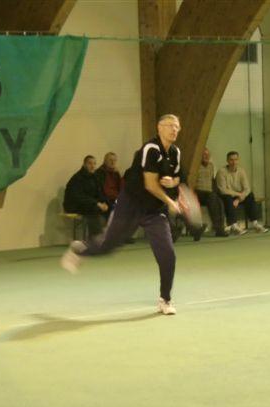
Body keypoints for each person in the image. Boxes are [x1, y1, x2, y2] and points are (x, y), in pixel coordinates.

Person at [61, 114, 184, 315]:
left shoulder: (176, 152)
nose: (174, 129)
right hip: (130, 205)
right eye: (170, 125)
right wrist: (170, 201)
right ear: (159, 127)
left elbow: (179, 177)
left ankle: (165, 300)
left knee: (168, 255)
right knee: (107, 246)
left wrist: (174, 183)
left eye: (177, 126)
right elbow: (150, 184)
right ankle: (78, 250)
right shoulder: (150, 149)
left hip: (154, 211)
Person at [216, 150, 268, 234]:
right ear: (227, 161)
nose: (234, 162)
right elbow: (223, 190)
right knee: (228, 198)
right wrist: (239, 195)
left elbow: (247, 188)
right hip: (226, 195)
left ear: (238, 160)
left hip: (238, 196)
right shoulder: (221, 172)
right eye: (231, 160)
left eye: (236, 159)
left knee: (250, 195)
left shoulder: (241, 171)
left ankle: (255, 224)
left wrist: (239, 198)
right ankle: (234, 226)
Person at [63, 155, 108, 236]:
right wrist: (97, 203)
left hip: (88, 203)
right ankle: (95, 238)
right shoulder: (77, 178)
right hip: (73, 205)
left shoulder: (95, 177)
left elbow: (99, 193)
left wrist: (104, 203)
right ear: (84, 164)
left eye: (94, 164)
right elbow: (79, 197)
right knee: (94, 208)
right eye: (89, 163)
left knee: (111, 206)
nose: (92, 166)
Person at [195, 147, 228, 237]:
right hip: (198, 192)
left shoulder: (211, 166)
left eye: (207, 155)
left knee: (219, 201)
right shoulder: (196, 165)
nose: (206, 156)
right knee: (213, 198)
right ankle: (216, 228)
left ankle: (219, 229)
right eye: (204, 155)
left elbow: (212, 180)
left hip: (209, 193)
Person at [94, 151, 122, 216]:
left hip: (116, 199)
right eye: (110, 160)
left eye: (115, 160)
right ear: (105, 161)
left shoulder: (116, 173)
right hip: (107, 200)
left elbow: (121, 188)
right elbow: (101, 191)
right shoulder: (99, 173)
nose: (113, 162)